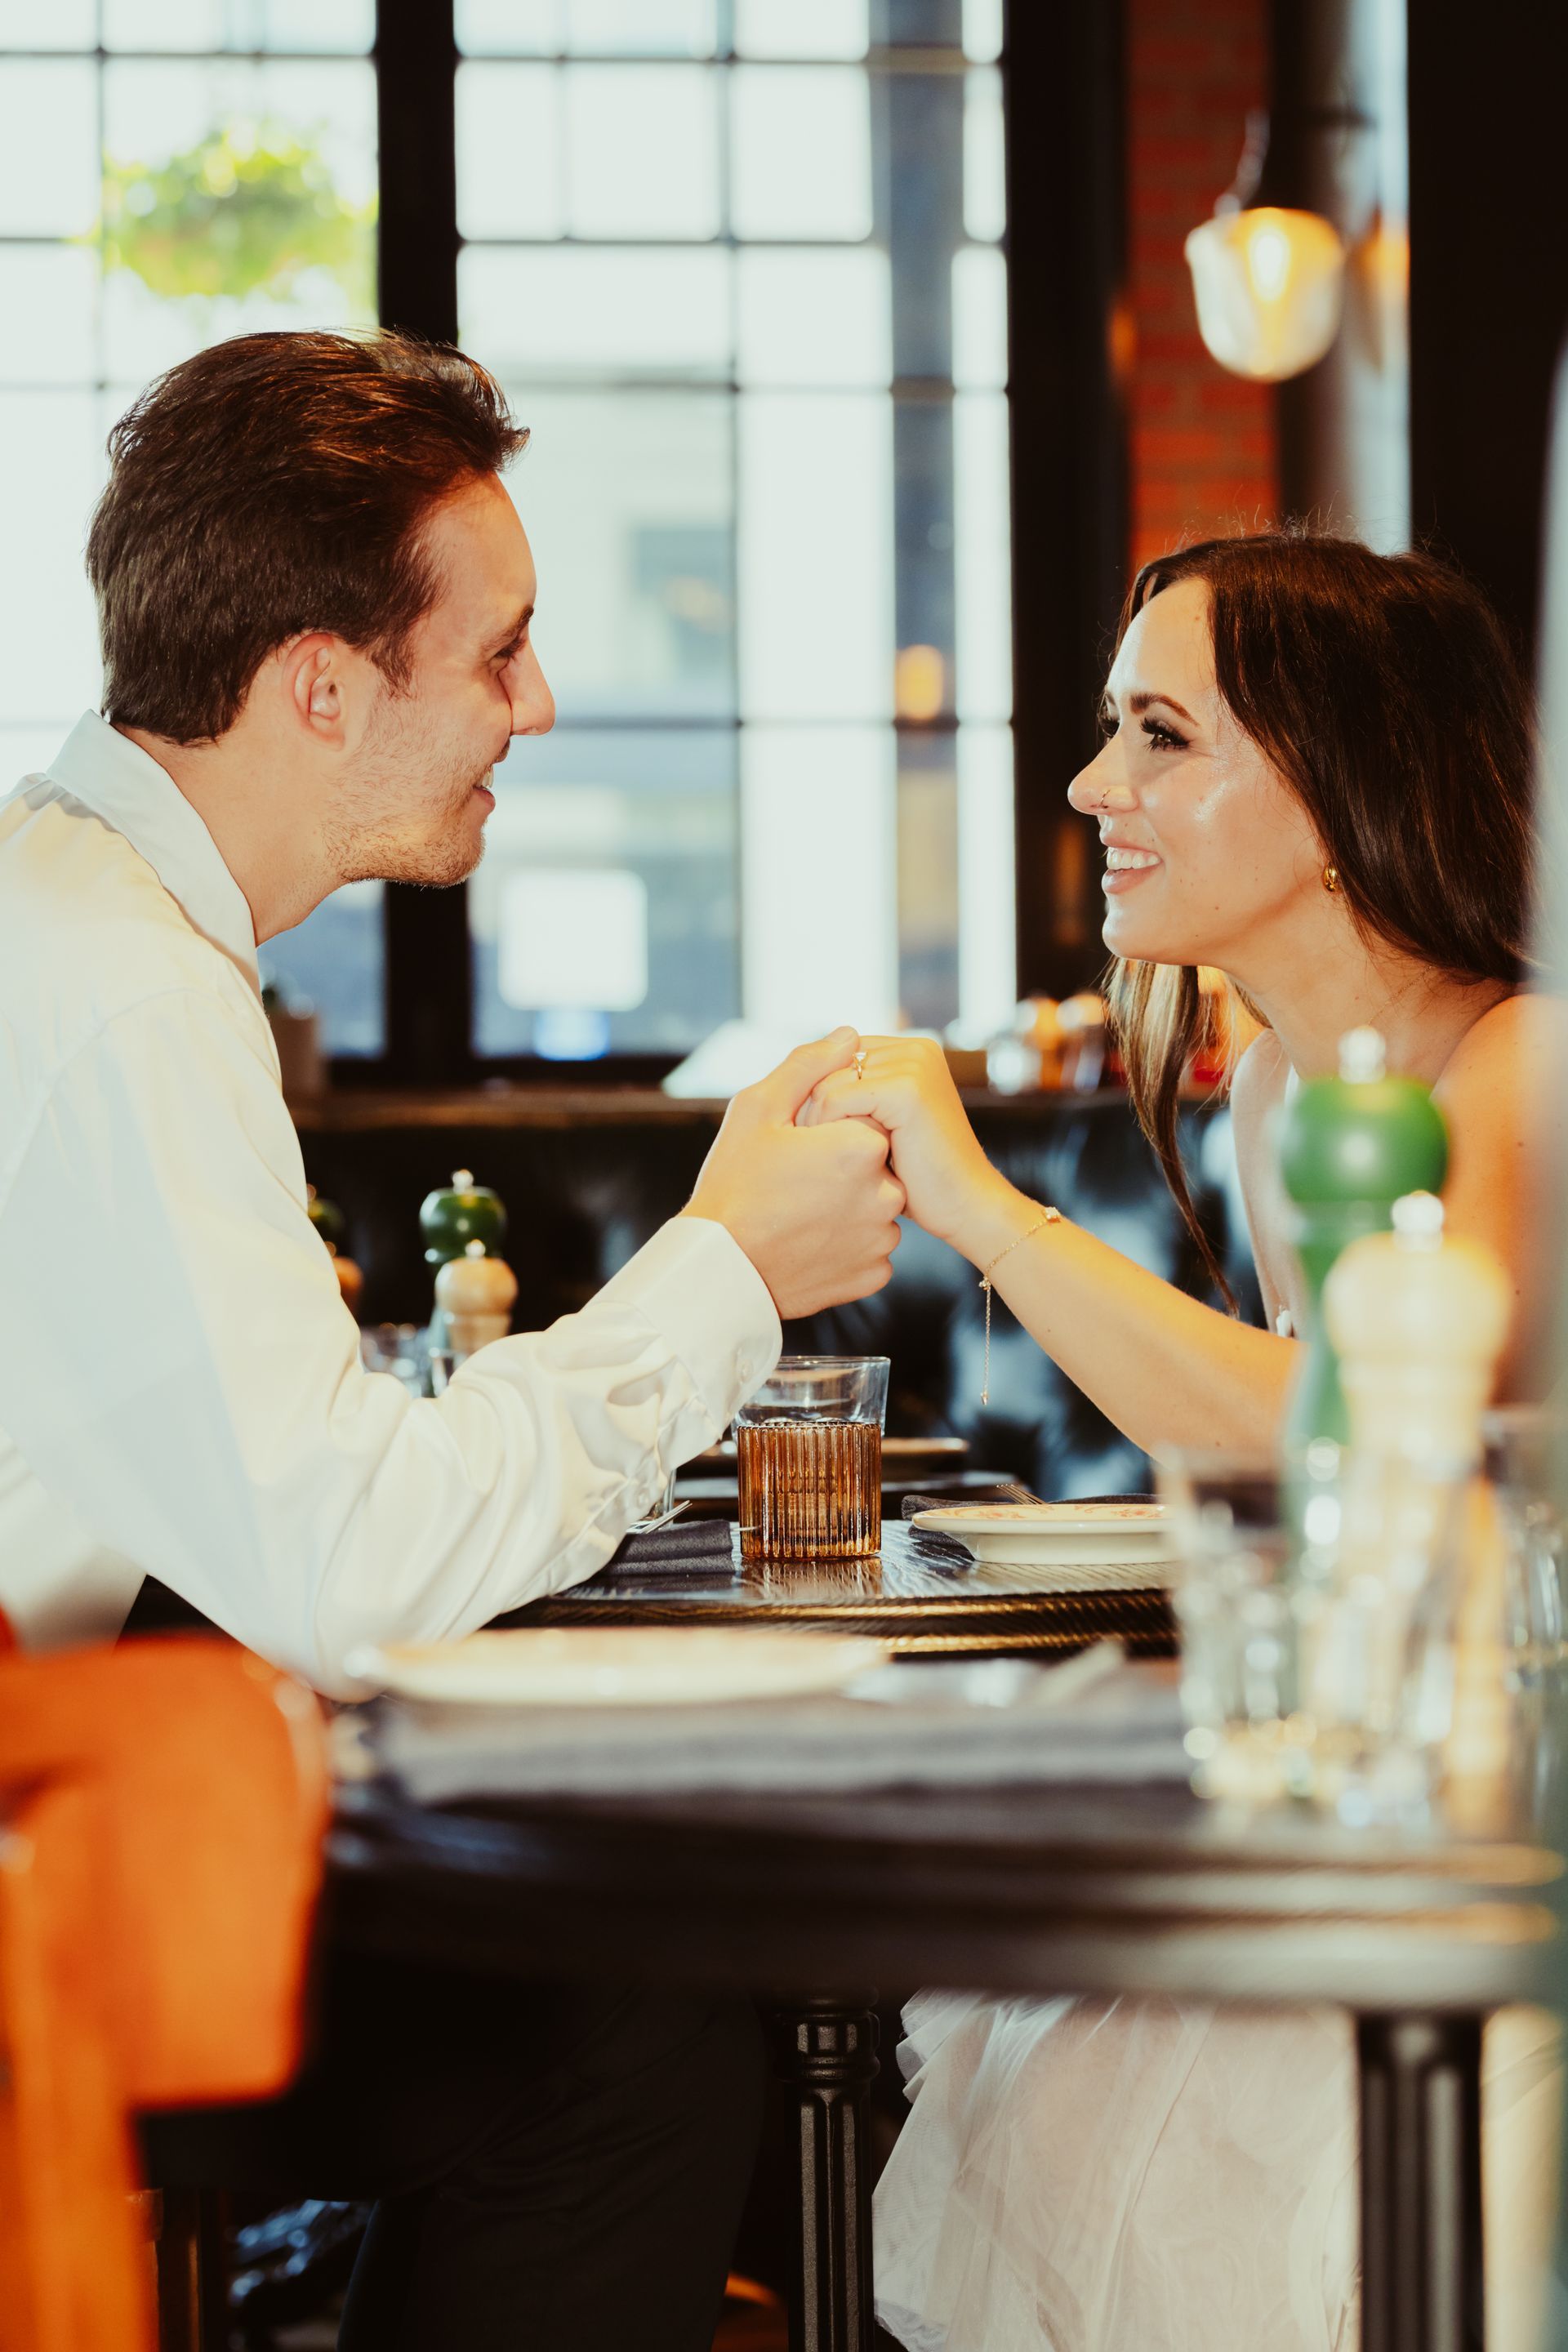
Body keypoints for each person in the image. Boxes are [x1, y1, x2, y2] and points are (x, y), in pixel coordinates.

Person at [0, 327, 905, 2351]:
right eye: (497, 652)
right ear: (323, 686)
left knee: (626, 1993)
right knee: (622, 2047)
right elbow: (351, 1562)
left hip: (77, 1806)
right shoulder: (121, 990)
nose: (540, 704)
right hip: (32, 1916)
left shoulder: (76, 917)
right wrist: (728, 1269)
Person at [799, 531, 1564, 2350]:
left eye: (1160, 732)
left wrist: (984, 1210)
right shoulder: (1287, 1091)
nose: (1091, 786)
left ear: (1340, 782)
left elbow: (1352, 1447)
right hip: (1388, 1778)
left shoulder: (1526, 1075)